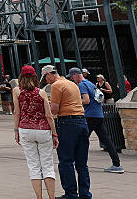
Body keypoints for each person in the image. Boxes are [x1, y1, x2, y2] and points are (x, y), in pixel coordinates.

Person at [43, 65, 90, 199]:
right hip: (82, 121)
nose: (46, 81)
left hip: (67, 123)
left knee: (66, 160)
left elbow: (55, 110)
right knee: (82, 163)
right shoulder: (71, 84)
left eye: (45, 78)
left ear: (49, 74)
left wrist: (48, 103)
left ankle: (71, 194)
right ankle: (85, 194)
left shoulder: (56, 85)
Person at [13, 65, 58, 199]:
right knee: (48, 166)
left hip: (25, 129)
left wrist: (16, 131)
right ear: (35, 77)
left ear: (21, 77)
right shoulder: (41, 92)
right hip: (43, 130)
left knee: (33, 166)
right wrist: (54, 133)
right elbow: (49, 115)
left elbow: (17, 112)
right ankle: (51, 197)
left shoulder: (16, 91)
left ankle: (39, 197)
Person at [71, 69, 123, 174]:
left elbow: (86, 100)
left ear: (76, 76)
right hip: (98, 114)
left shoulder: (82, 85)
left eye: (72, 77)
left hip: (89, 115)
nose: (72, 79)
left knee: (82, 139)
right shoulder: (90, 83)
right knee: (106, 140)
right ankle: (117, 164)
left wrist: (73, 102)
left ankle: (76, 162)